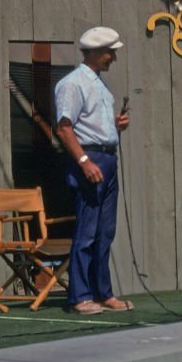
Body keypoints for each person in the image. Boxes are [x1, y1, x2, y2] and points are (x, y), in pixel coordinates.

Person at [54, 26, 132, 315]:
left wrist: (115, 124)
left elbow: (91, 122)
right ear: (96, 52)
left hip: (107, 158)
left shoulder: (99, 84)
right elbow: (64, 128)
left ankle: (103, 293)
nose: (113, 57)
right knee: (87, 231)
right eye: (109, 52)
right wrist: (84, 162)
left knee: (105, 231)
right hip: (90, 159)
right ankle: (80, 295)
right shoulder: (72, 84)